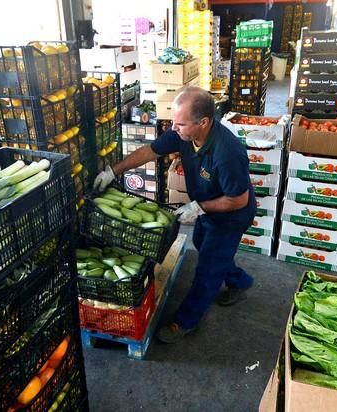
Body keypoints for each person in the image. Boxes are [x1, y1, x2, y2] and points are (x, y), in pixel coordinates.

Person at [93, 86, 256, 344]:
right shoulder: (183, 135)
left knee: (208, 268)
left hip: (230, 215)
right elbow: (150, 151)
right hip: (207, 207)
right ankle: (241, 281)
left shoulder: (228, 153)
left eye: (180, 123)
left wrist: (200, 207)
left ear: (203, 122)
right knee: (203, 244)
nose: (174, 128)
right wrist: (114, 171)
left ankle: (184, 322)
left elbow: (238, 200)